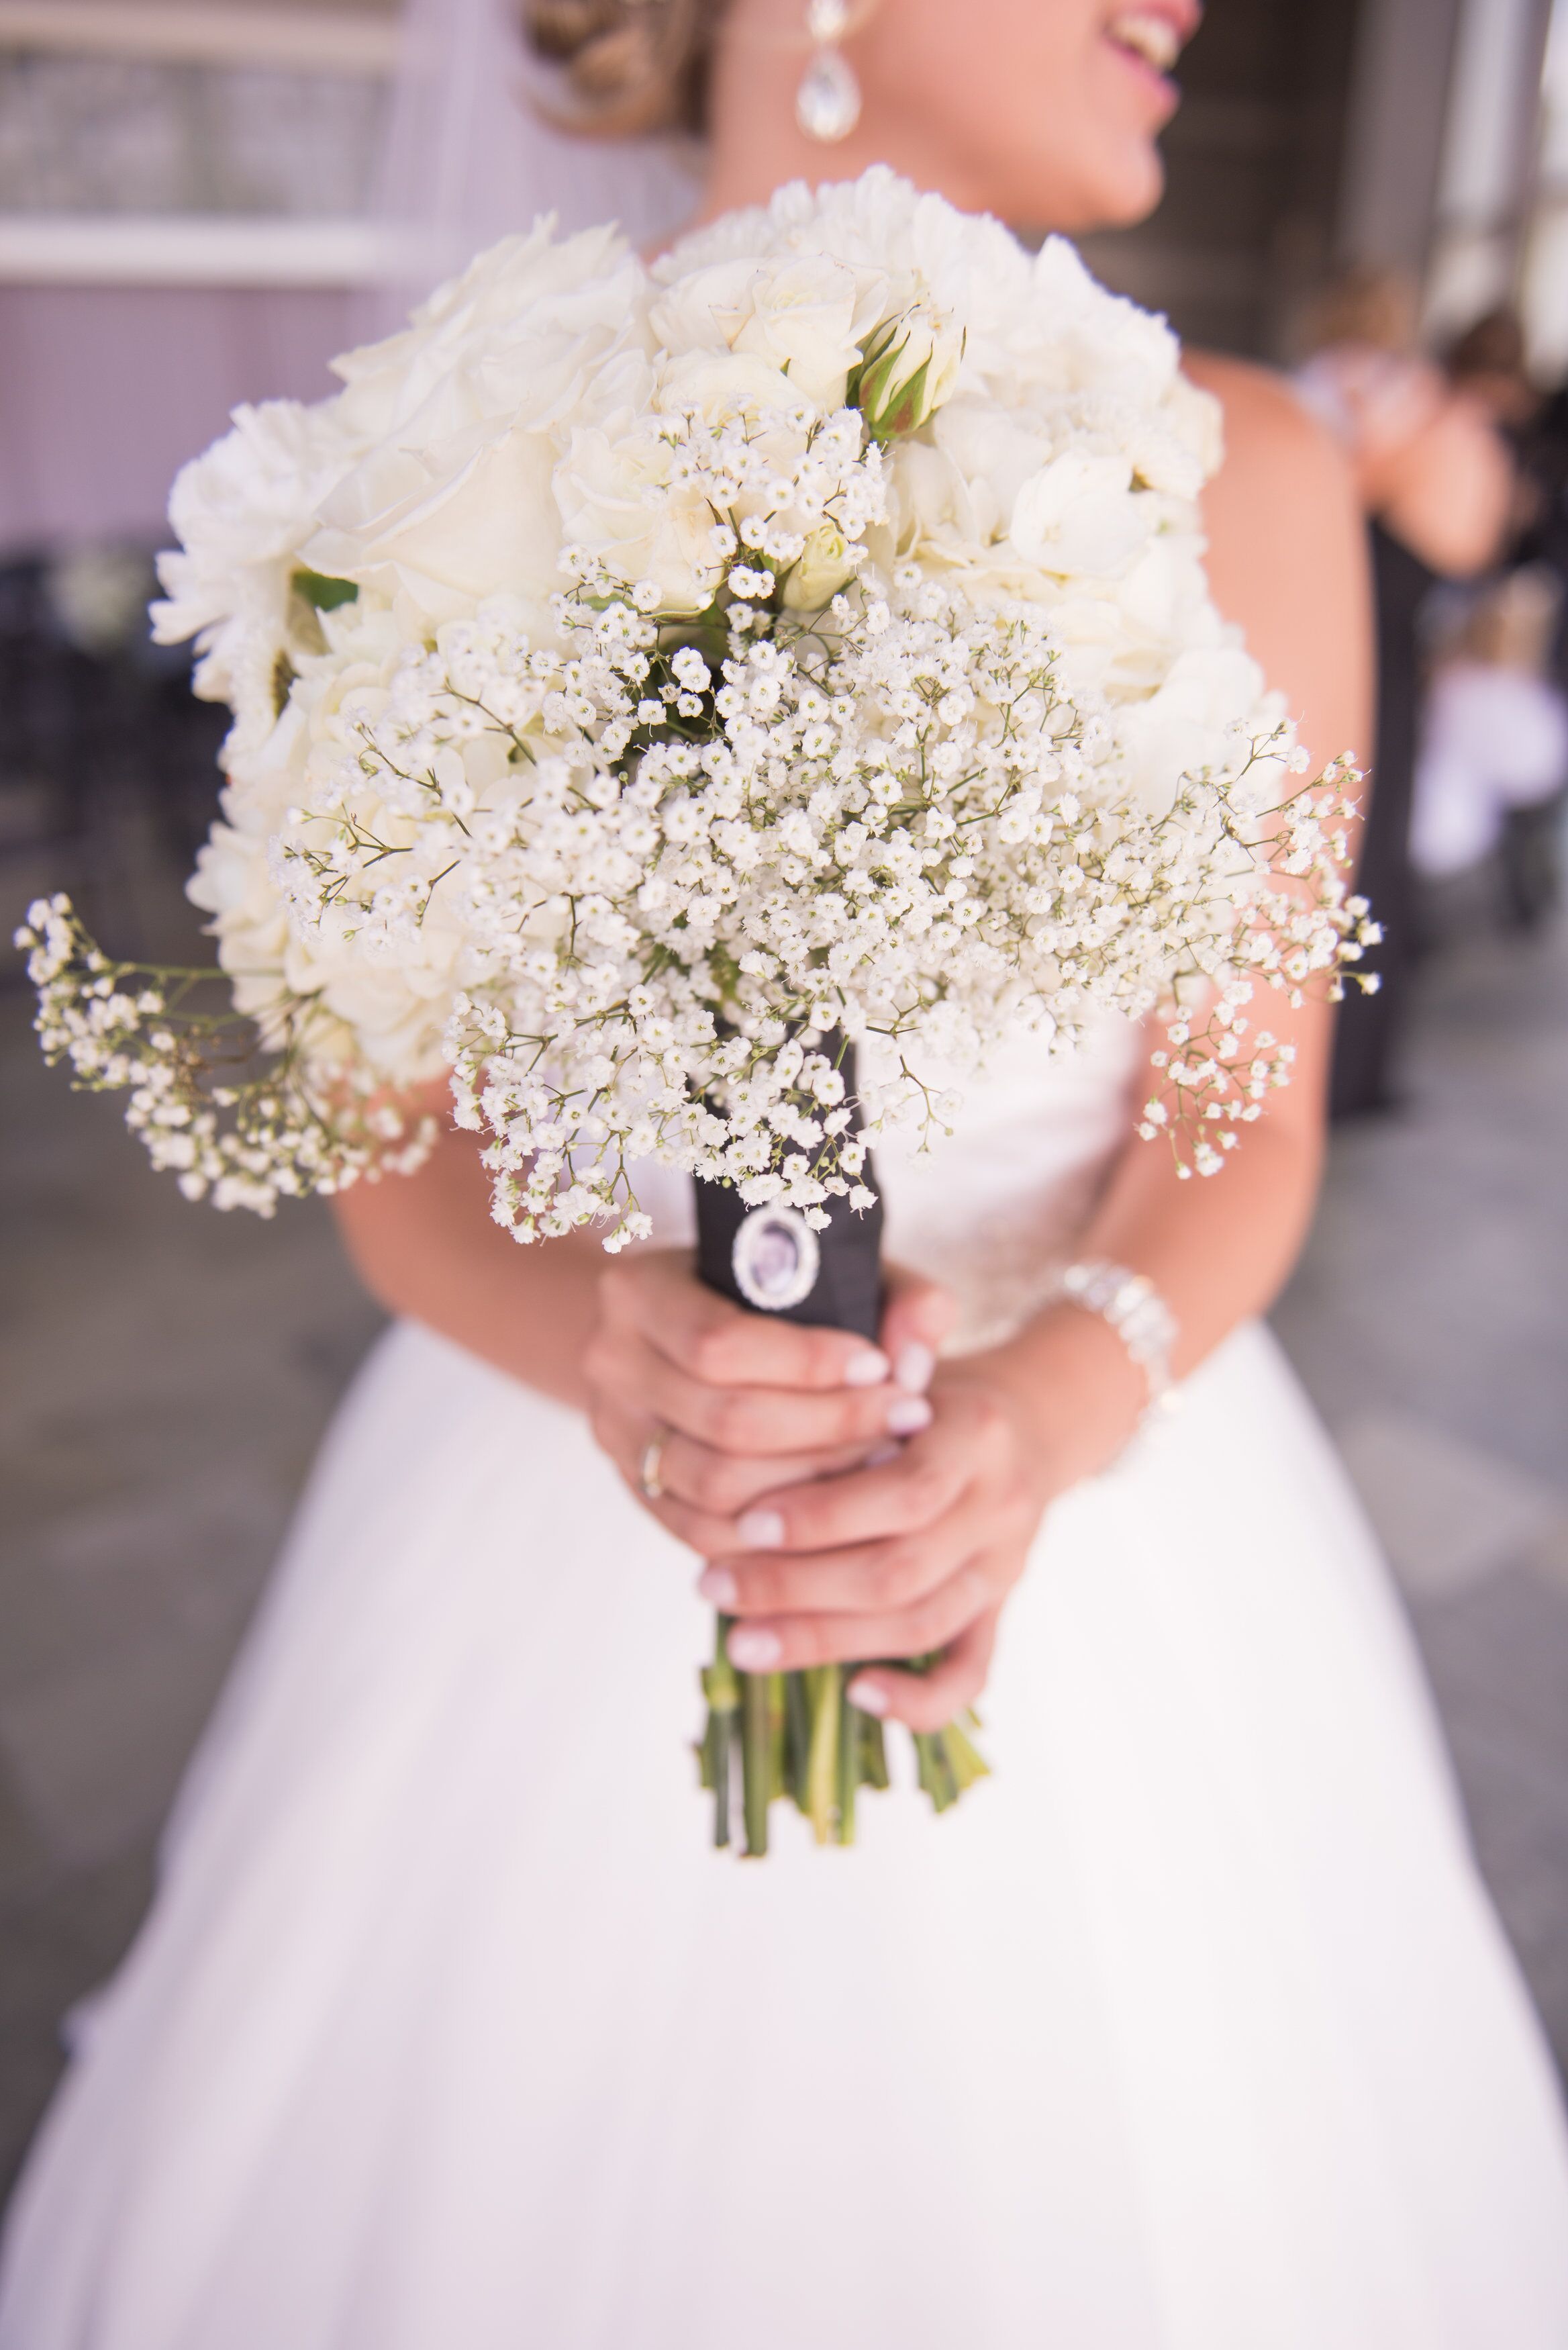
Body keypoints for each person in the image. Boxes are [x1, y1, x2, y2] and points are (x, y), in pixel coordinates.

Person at [5, 3, 1568, 2344]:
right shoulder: (442, 478)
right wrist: (615, 1345)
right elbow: (402, 1165)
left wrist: (1051, 1404)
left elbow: (1232, 1121)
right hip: (559, 1503)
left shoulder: (1239, 469)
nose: (1179, 3)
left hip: (1093, 1497)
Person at [1293, 267, 1515, 1115]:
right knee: (1368, 842)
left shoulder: (1338, 392)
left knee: (1332, 837)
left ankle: (1331, 1065)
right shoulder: (1414, 400)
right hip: (1399, 626)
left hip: (1351, 627)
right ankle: (1356, 1065)